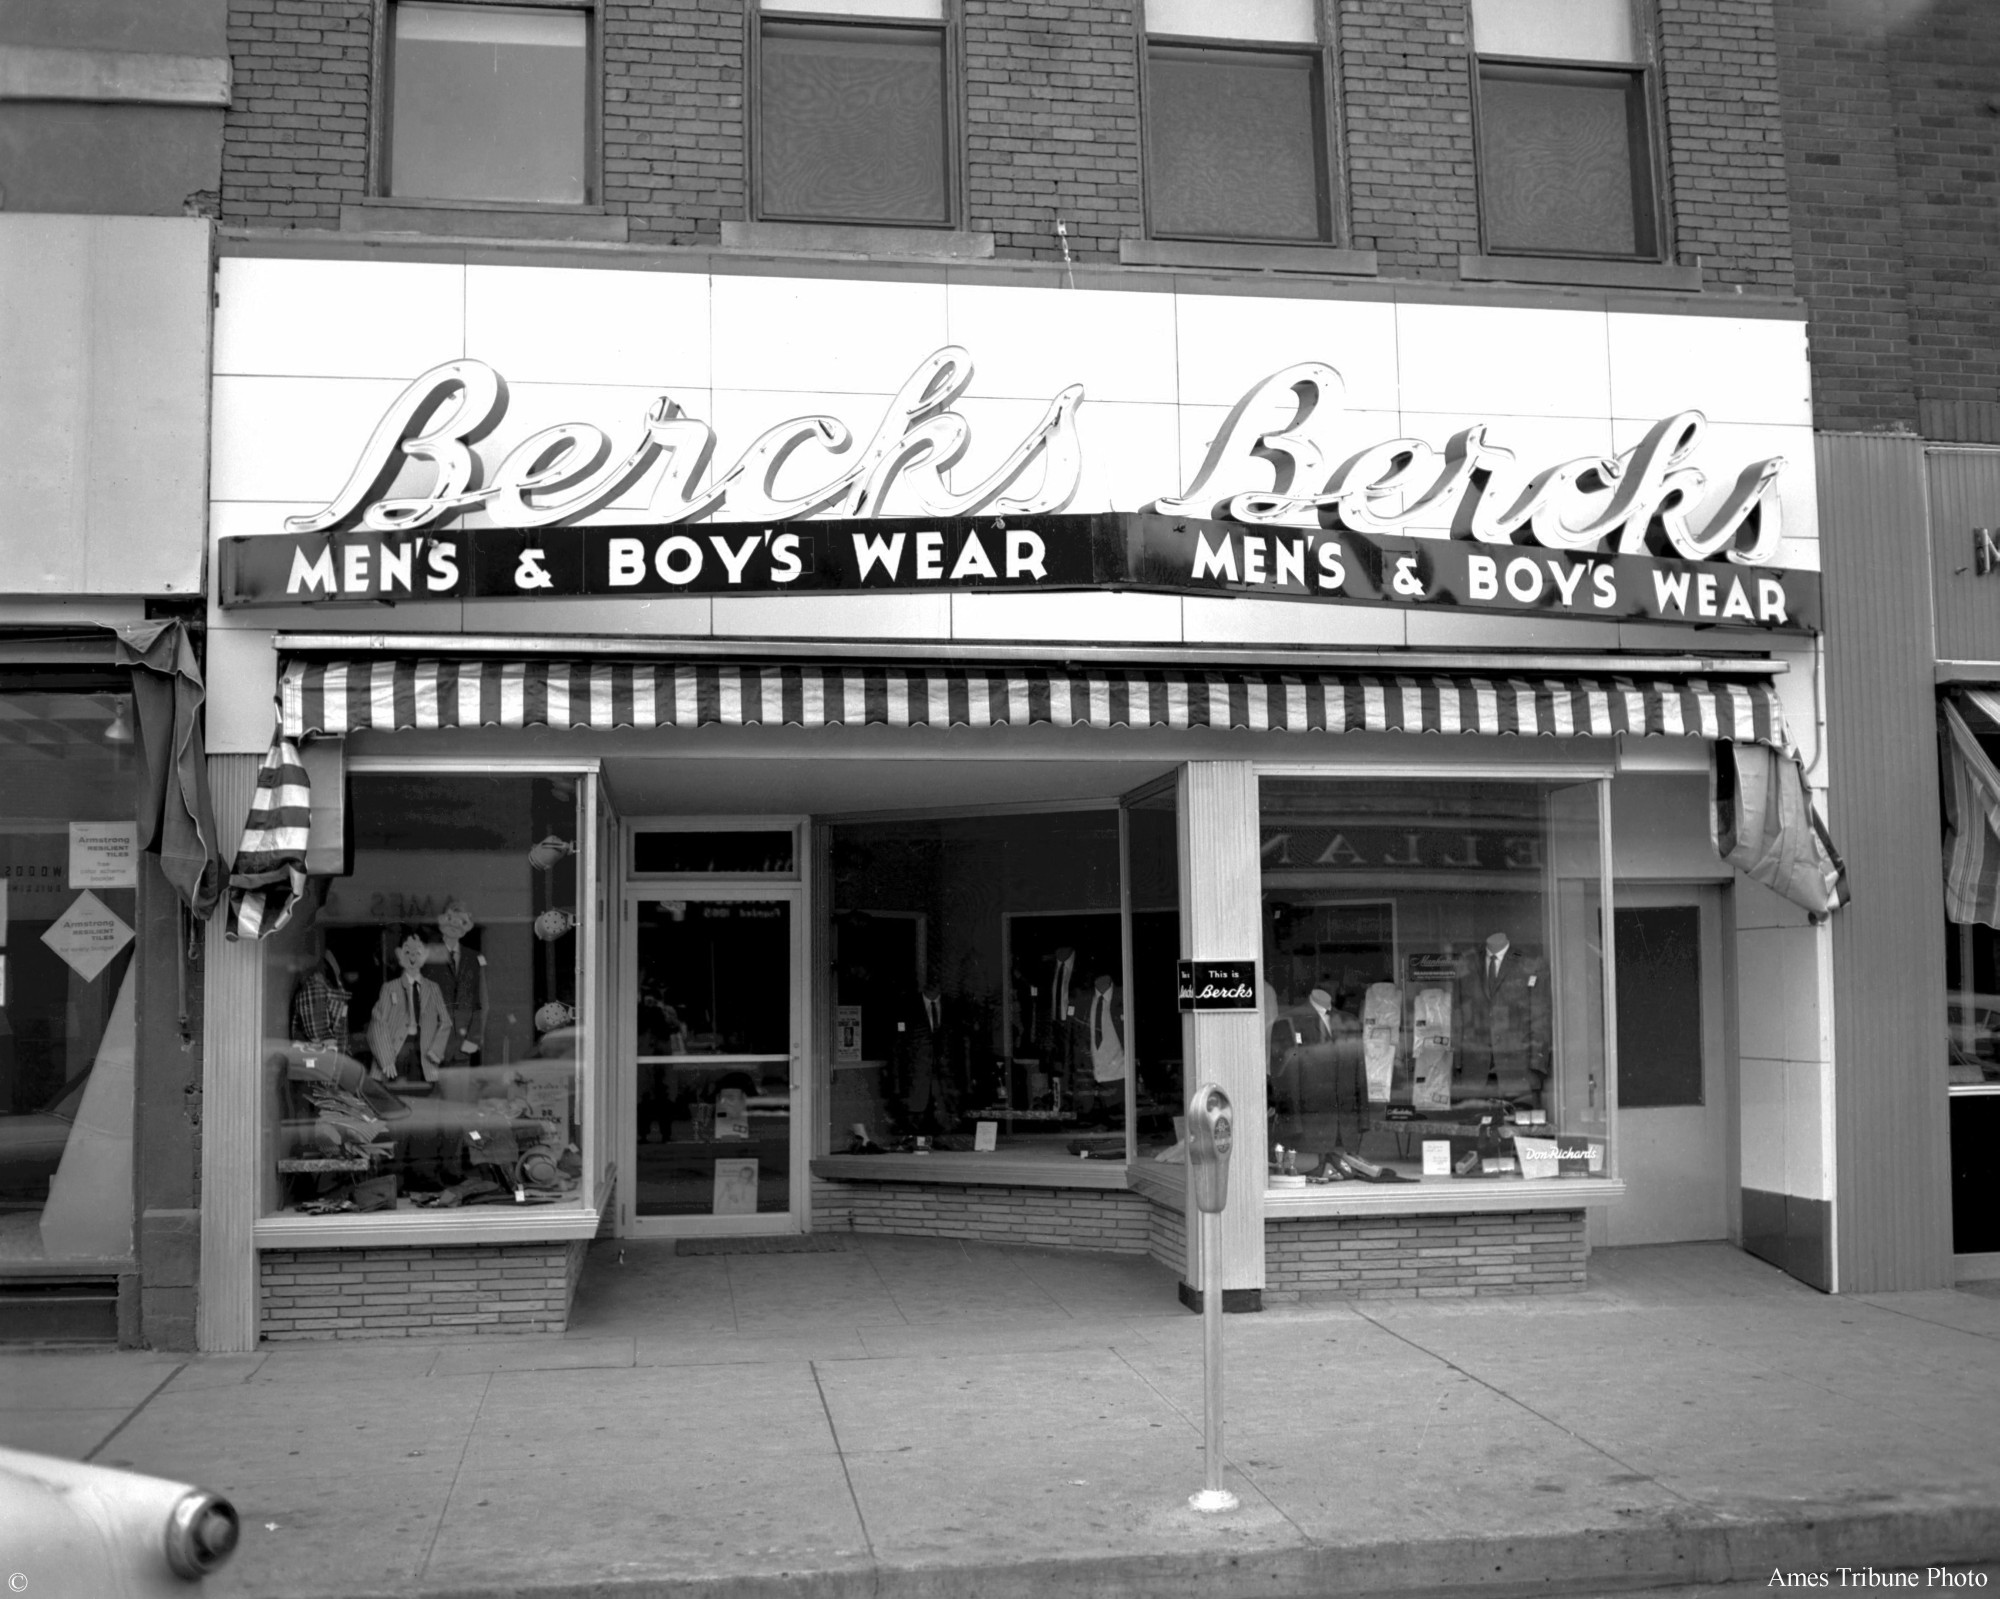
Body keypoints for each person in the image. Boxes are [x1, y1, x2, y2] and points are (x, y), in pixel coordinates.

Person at [426, 903, 488, 1065]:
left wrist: (474, 1038)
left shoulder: (474, 958)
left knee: (459, 1079)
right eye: (450, 920)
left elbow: (481, 1002)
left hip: (462, 1043)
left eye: (461, 922)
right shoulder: (428, 956)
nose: (454, 926)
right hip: (432, 1043)